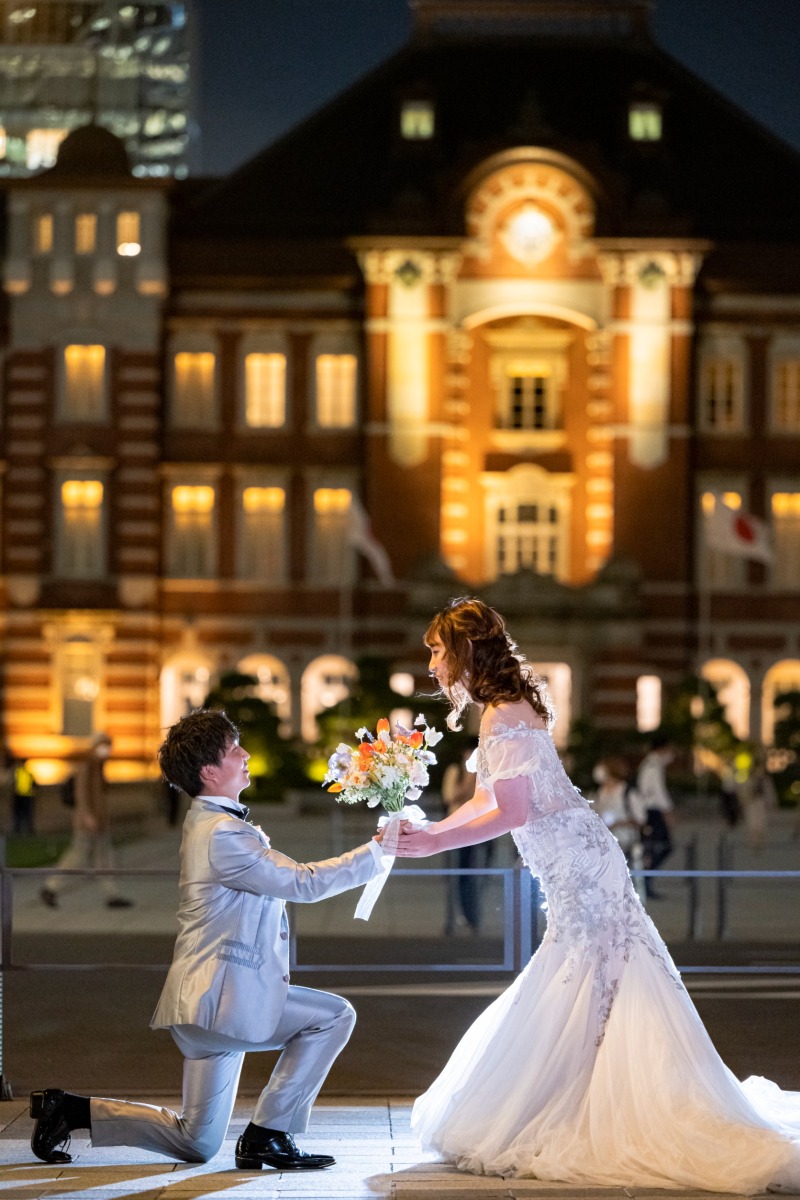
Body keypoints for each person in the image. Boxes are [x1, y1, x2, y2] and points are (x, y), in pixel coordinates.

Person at [395, 597, 800, 1194]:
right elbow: (491, 800)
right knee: (594, 974)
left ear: (462, 652)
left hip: (580, 866)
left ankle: (616, 1108)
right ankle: (592, 1096)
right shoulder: (508, 707)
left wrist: (432, 842)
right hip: (582, 859)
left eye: (435, 651)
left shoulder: (502, 715)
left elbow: (510, 811)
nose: (430, 664)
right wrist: (432, 833)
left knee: (594, 974)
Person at [29, 708, 385, 1171]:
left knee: (195, 1142)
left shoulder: (213, 824)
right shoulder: (223, 834)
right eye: (234, 749)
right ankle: (269, 1134)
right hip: (222, 1003)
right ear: (209, 771)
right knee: (333, 1016)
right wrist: (378, 851)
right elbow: (303, 883)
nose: (246, 754)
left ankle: (71, 1110)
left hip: (203, 1005)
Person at [40, 733, 133, 909]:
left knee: (103, 859)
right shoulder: (87, 767)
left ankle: (111, 895)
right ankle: (50, 887)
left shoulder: (98, 767)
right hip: (88, 822)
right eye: (104, 746)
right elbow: (81, 794)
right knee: (78, 856)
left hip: (99, 822)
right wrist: (87, 816)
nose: (107, 750)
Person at [442, 737, 491, 933]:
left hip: (481, 829)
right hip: (457, 831)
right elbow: (450, 797)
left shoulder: (485, 773)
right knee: (457, 876)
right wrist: (469, 781)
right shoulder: (456, 772)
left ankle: (473, 918)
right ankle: (455, 920)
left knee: (480, 876)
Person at [635, 732, 676, 899]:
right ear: (662, 748)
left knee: (657, 847)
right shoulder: (652, 766)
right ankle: (645, 880)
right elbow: (656, 792)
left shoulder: (652, 764)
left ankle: (646, 881)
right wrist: (668, 811)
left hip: (653, 811)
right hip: (652, 812)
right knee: (659, 847)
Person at [590, 756, 644, 863]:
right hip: (603, 845)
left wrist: (618, 824)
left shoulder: (628, 793)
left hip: (626, 844)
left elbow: (641, 820)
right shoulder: (599, 793)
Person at [735, 749, 777, 855]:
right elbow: (743, 792)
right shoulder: (749, 778)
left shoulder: (764, 779)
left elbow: (769, 792)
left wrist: (771, 803)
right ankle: (754, 844)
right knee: (753, 825)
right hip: (752, 804)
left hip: (760, 804)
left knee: (761, 825)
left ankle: (760, 844)